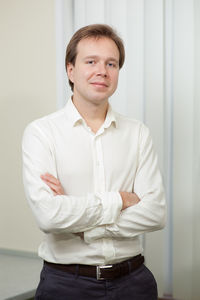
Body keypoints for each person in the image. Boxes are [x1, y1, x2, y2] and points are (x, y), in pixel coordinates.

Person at [22, 24, 166, 300]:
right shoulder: (41, 133)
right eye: (91, 61)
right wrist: (120, 200)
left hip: (135, 283)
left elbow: (155, 213)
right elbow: (49, 216)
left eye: (111, 63)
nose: (102, 71)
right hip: (66, 284)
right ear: (70, 70)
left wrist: (83, 229)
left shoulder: (137, 133)